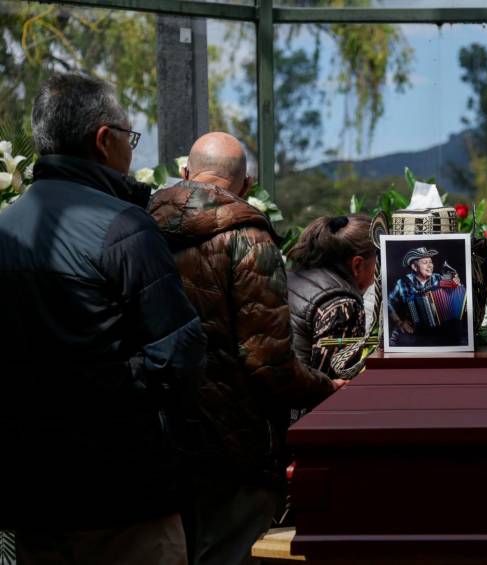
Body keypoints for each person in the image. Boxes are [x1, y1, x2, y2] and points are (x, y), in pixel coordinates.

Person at [0, 73, 206, 564]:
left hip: (33, 497)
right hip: (124, 495)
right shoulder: (124, 228)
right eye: (130, 139)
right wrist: (107, 384)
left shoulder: (5, 229)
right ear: (103, 140)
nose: (132, 152)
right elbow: (179, 355)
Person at [149, 132, 342, 565]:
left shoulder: (138, 230)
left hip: (160, 435)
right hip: (233, 442)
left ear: (184, 174)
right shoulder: (250, 240)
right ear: (248, 185)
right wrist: (327, 387)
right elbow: (268, 362)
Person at [287, 214, 377, 380]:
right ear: (357, 265)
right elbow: (336, 384)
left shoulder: (288, 279)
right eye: (378, 263)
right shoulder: (343, 307)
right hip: (302, 404)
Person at [387, 246, 466, 347]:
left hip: (438, 331)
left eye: (431, 262)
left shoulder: (438, 277)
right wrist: (399, 322)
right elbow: (387, 303)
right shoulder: (403, 282)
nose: (430, 266)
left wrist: (456, 282)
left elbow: (456, 286)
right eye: (425, 263)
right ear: (415, 267)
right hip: (413, 331)